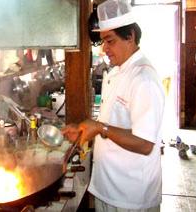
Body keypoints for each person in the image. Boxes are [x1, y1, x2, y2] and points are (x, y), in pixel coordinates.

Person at [62, 0, 165, 211]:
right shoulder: (118, 71)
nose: (104, 49)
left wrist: (101, 128)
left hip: (131, 197)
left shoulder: (143, 79)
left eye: (110, 41)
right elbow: (112, 122)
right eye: (102, 42)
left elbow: (145, 144)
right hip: (108, 188)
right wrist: (86, 130)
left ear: (130, 36)